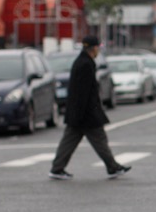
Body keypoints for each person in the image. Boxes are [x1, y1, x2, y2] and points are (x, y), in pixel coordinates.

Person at [48, 37, 131, 180]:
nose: (98, 50)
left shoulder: (82, 62)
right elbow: (84, 92)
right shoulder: (86, 64)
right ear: (93, 48)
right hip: (86, 114)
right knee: (99, 140)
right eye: (98, 47)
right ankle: (112, 167)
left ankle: (57, 168)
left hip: (79, 113)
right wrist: (85, 114)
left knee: (69, 141)